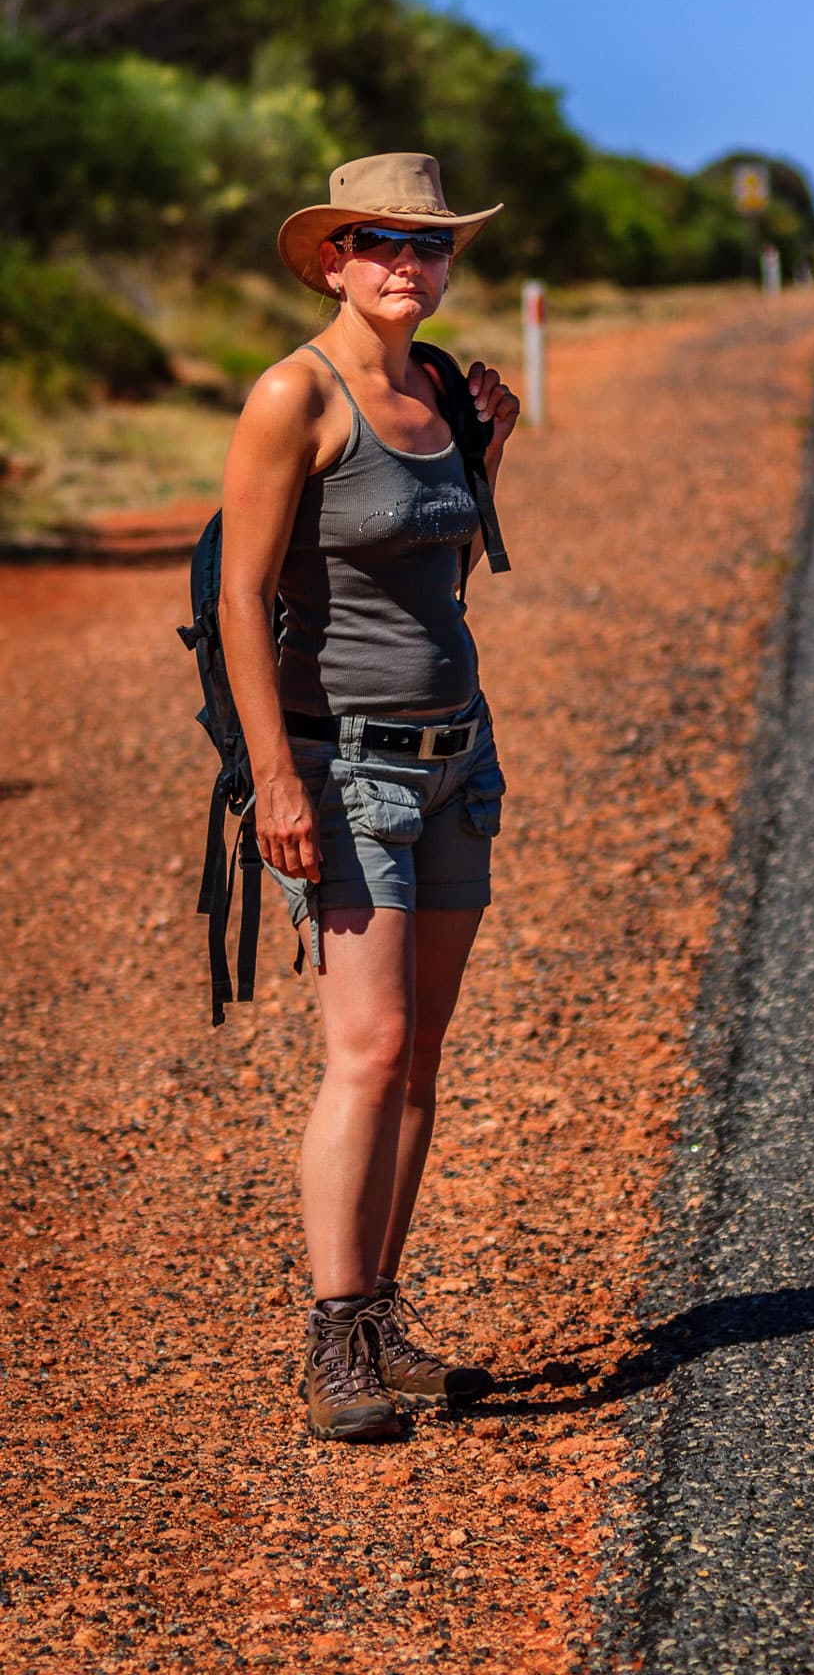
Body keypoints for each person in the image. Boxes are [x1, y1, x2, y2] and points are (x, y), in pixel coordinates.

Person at [219, 153, 520, 1441]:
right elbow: (243, 597)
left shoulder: (445, 390)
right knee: (371, 1050)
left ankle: (383, 1317)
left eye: (431, 245)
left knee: (422, 1059)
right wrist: (275, 778)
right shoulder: (295, 395)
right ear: (332, 260)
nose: (409, 264)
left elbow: (444, 576)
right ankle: (336, 1337)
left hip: (458, 758)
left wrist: (488, 457)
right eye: (381, 242)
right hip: (344, 767)